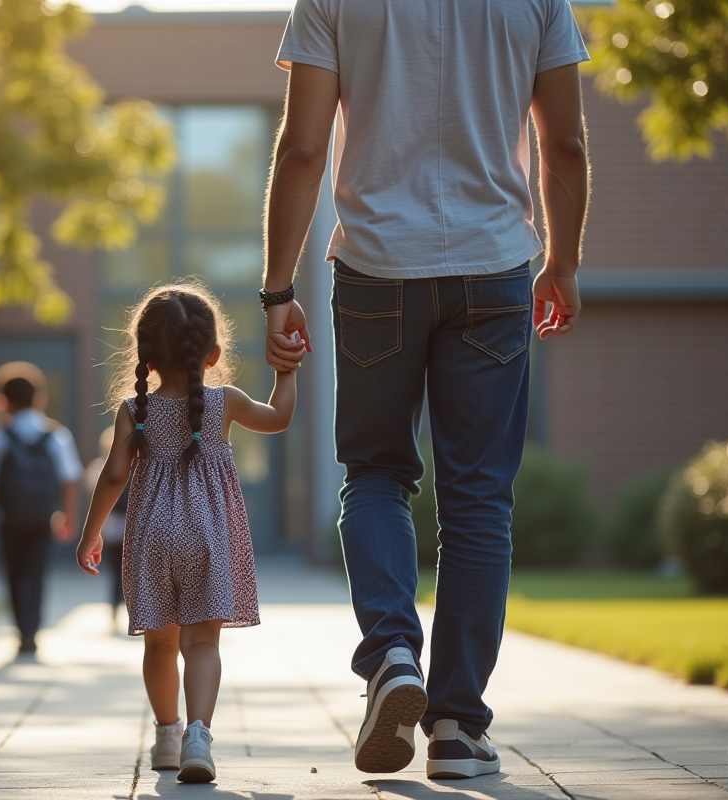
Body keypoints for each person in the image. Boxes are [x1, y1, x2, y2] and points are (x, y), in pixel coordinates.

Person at [264, 0, 591, 780]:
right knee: (478, 495)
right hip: (495, 265)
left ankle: (391, 659)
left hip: (377, 268)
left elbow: (304, 146)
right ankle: (455, 725)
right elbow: (566, 144)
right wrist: (565, 261)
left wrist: (278, 288)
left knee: (375, 473)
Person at [76, 282, 297, 784]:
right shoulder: (225, 403)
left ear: (146, 357)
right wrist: (288, 368)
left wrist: (90, 534)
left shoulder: (135, 411)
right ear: (214, 353)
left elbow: (113, 476)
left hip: (153, 536)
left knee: (159, 645)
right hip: (207, 536)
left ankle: (167, 735)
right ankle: (200, 734)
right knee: (202, 643)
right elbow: (280, 417)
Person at [0, 362, 82, 657]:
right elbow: (70, 480)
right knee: (36, 572)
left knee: (14, 573)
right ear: (39, 398)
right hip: (42, 515)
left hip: (9, 516)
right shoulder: (56, 435)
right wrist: (69, 516)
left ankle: (22, 629)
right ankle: (32, 630)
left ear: (2, 401)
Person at [83, 427, 127, 631]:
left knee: (115, 572)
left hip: (108, 529)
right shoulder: (134, 466)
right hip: (129, 527)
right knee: (128, 572)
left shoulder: (96, 468)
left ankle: (114, 608)